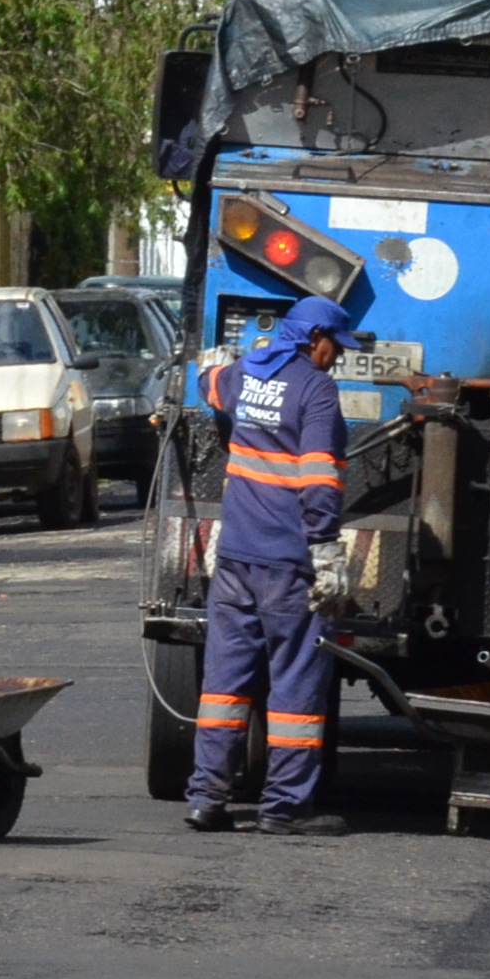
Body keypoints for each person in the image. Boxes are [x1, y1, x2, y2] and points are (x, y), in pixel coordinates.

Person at [184, 294, 357, 836]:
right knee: (295, 687)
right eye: (335, 346)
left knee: (224, 685)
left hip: (235, 558)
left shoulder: (244, 374)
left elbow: (207, 385)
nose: (338, 357)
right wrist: (325, 548)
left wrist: (209, 364)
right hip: (289, 563)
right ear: (314, 340)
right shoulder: (315, 388)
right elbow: (318, 479)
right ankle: (283, 808)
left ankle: (207, 798)